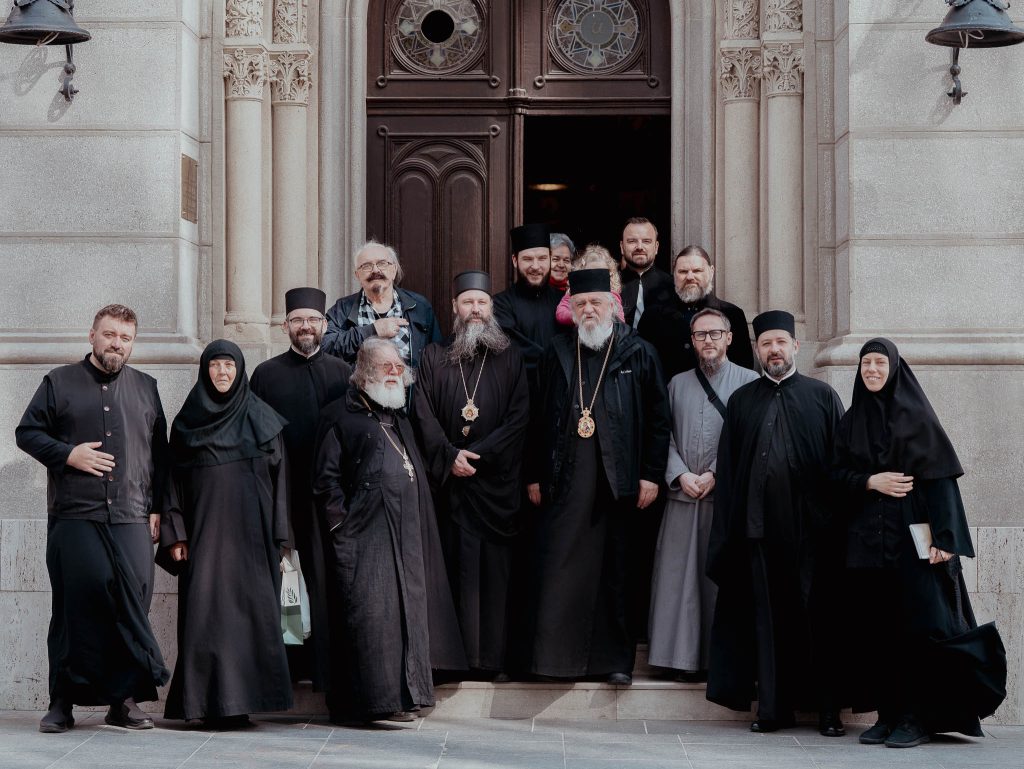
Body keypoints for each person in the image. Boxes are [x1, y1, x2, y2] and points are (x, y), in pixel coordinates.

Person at [834, 338, 1005, 748]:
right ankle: (888, 714)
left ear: (894, 368)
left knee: (919, 630)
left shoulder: (917, 419)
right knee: (878, 630)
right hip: (867, 545)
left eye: (879, 362)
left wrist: (946, 539)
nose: (871, 370)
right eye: (865, 363)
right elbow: (834, 475)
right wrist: (870, 481)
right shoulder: (851, 421)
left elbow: (941, 481)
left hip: (915, 543)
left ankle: (916, 718)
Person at [16, 304, 170, 734]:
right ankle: (61, 703)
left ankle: (122, 703)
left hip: (132, 516)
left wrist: (157, 508)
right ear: (92, 336)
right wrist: (68, 454)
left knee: (130, 609)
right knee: (74, 610)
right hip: (75, 516)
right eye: (109, 334)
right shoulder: (58, 382)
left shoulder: (147, 387)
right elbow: (27, 433)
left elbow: (160, 455)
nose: (116, 344)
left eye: (125, 337)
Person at [706, 310, 846, 736]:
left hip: (813, 535)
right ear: (757, 349)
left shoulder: (823, 397)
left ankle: (828, 712)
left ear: (795, 346)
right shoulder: (742, 402)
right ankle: (773, 709)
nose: (774, 350)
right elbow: (730, 471)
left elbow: (840, 467)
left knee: (821, 621)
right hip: (759, 533)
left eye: (781, 342)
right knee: (767, 624)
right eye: (766, 344)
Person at [526, 269, 670, 684]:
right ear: (571, 309)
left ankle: (614, 664)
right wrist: (534, 474)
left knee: (616, 570)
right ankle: (555, 662)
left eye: (596, 302)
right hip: (565, 478)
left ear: (612, 306)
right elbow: (538, 418)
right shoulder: (556, 351)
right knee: (561, 565)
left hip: (619, 478)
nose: (589, 309)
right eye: (581, 303)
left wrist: (651, 475)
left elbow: (659, 420)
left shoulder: (638, 351)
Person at [314, 337, 466, 723]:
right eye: (387, 367)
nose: (395, 374)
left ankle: (408, 696)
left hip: (406, 535)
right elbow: (326, 481)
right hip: (364, 538)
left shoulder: (398, 417)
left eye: (399, 367)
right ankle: (373, 704)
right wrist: (343, 527)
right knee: (373, 619)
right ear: (365, 371)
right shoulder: (340, 416)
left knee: (406, 617)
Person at [160, 339, 293, 726]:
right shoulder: (187, 423)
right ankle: (204, 705)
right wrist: (175, 533)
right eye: (215, 365)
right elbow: (170, 482)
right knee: (206, 618)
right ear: (205, 370)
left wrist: (282, 539)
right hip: (204, 536)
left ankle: (241, 704)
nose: (222, 372)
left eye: (229, 365)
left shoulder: (262, 418)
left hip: (254, 540)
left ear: (240, 370)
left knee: (250, 620)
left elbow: (281, 483)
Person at [413, 271, 530, 677]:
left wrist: (477, 456)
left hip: (496, 486)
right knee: (454, 571)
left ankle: (493, 660)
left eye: (481, 302)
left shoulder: (510, 357)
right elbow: (422, 414)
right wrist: (449, 457)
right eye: (468, 302)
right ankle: (453, 661)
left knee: (496, 576)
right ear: (454, 308)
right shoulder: (433, 356)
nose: (475, 309)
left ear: (491, 307)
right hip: (452, 488)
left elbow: (519, 418)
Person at [250, 286, 352, 689]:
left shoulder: (343, 373)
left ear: (325, 325)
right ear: (285, 326)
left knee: (329, 578)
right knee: (288, 578)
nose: (305, 326)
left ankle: (329, 669)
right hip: (284, 494)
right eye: (297, 320)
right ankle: (291, 670)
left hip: (332, 495)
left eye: (312, 319)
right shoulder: (265, 375)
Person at [648, 309, 758, 681]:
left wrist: (715, 473)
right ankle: (677, 660)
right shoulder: (676, 384)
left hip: (724, 500)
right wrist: (679, 473)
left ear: (729, 338)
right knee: (678, 581)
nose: (707, 341)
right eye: (700, 335)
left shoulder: (749, 381)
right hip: (682, 496)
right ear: (692, 341)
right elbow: (661, 435)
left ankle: (717, 662)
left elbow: (749, 438)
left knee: (717, 583)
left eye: (714, 334)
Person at [637, 245, 754, 380]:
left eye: (697, 271)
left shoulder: (733, 315)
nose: (690, 277)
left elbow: (743, 369)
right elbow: (642, 368)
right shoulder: (652, 317)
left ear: (711, 272)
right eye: (683, 271)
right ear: (674, 274)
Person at [322, 240, 442, 368]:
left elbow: (437, 356)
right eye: (366, 266)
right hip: (359, 382)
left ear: (394, 270)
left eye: (382, 263)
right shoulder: (342, 308)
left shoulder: (420, 306)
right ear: (357, 275)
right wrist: (372, 331)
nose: (375, 270)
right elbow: (325, 346)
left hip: (408, 382)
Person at [492, 223, 564, 398]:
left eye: (542, 258)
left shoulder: (563, 301)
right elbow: (514, 353)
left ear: (550, 258)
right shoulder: (500, 304)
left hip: (560, 397)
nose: (536, 266)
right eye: (528, 259)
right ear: (515, 260)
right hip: (518, 398)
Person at [618, 217, 674, 329]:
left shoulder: (672, 285)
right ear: (622, 247)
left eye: (646, 241)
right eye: (632, 241)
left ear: (656, 247)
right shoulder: (610, 285)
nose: (639, 247)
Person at [554, 244, 625, 326]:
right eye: (590, 274)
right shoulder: (574, 292)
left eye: (600, 273)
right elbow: (560, 314)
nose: (595, 278)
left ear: (610, 275)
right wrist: (578, 315)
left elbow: (620, 321)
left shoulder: (612, 294)